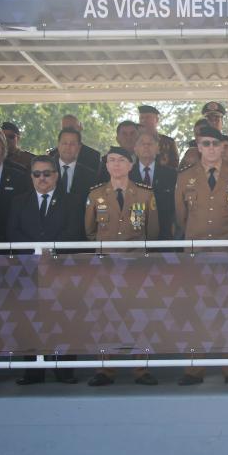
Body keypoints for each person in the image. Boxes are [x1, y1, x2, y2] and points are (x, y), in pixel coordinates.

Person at [174, 126, 228, 386]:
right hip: (196, 255)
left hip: (227, 254)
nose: (210, 148)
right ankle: (193, 370)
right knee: (194, 311)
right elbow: (181, 217)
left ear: (222, 147)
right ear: (198, 147)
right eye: (205, 143)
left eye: (214, 144)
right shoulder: (185, 177)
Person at [84, 146, 160, 387]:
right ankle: (105, 370)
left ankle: (141, 369)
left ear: (131, 165)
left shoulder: (145, 194)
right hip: (106, 265)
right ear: (106, 165)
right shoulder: (96, 194)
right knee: (105, 317)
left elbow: (153, 232)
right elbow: (89, 230)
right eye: (111, 160)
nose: (116, 165)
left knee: (139, 315)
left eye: (121, 161)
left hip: (136, 266)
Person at [8, 156, 84, 385]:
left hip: (61, 270)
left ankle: (64, 371)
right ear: (31, 177)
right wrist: (34, 255)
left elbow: (74, 232)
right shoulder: (18, 201)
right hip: (28, 270)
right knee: (29, 319)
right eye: (37, 174)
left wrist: (50, 254)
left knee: (64, 318)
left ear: (56, 175)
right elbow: (12, 231)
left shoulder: (71, 201)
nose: (42, 178)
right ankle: (33, 371)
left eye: (47, 173)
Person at [130, 130, 177, 241]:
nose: (146, 146)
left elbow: (177, 207)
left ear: (158, 149)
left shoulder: (171, 174)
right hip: (134, 235)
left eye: (150, 143)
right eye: (142, 143)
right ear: (135, 149)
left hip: (164, 235)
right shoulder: (127, 174)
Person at [53, 127, 98, 215]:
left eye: (72, 144)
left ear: (79, 147)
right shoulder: (44, 170)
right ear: (58, 145)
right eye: (64, 143)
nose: (68, 147)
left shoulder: (90, 176)